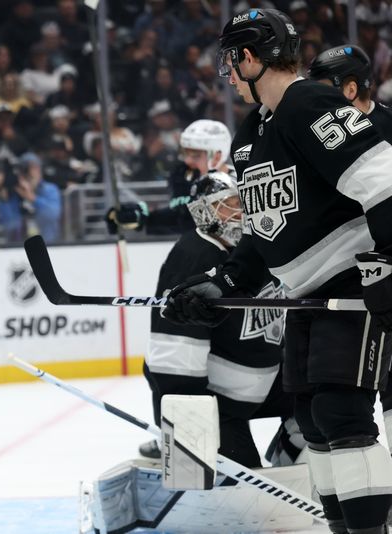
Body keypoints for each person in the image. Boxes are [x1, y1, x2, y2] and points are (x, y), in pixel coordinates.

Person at [162, 9, 392, 534]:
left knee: (341, 413)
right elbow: (264, 233)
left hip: (351, 280)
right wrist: (220, 282)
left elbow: (383, 179)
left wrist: (389, 264)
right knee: (312, 419)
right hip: (303, 292)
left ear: (247, 58)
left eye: (230, 60)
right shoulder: (252, 132)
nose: (228, 72)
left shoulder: (310, 102)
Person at [140, 171, 301, 467]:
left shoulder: (256, 250)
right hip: (216, 404)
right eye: (227, 204)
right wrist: (188, 425)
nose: (240, 212)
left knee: (323, 400)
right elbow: (174, 354)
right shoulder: (193, 255)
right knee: (244, 491)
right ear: (203, 210)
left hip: (263, 390)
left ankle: (294, 469)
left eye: (242, 203)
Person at [308, 43, 392, 467]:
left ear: (351, 88)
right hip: (350, 285)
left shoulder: (387, 130)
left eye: (324, 89)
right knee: (338, 408)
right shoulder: (316, 133)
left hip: (386, 282)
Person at [105, 119, 232, 236]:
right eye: (185, 153)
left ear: (216, 157)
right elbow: (179, 217)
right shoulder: (185, 174)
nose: (188, 161)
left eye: (196, 156)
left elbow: (201, 224)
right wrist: (142, 216)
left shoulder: (238, 185)